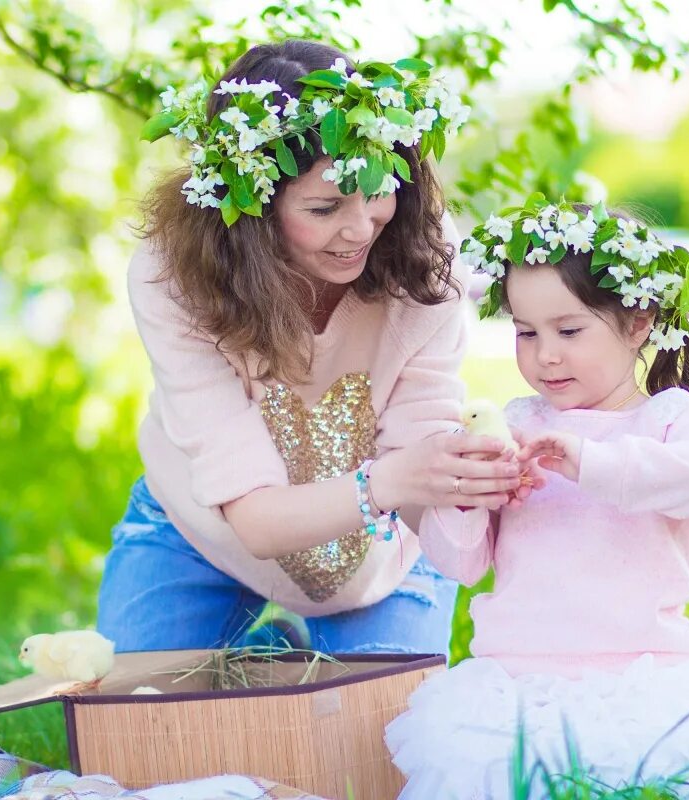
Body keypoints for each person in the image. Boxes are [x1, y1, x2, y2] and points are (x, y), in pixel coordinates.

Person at [94, 39, 526, 655]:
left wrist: (472, 487)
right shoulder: (172, 274)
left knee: (378, 745)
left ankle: (280, 653)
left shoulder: (423, 257)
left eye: (377, 190)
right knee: (135, 735)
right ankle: (267, 654)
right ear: (252, 208)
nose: (359, 230)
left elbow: (419, 471)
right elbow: (257, 521)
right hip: (201, 530)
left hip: (378, 560)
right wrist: (393, 479)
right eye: (324, 208)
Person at [385, 200, 689, 797]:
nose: (545, 355)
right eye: (524, 332)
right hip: (514, 685)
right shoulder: (514, 424)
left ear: (638, 321)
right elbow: (462, 564)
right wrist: (468, 494)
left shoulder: (668, 421)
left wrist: (586, 462)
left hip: (643, 682)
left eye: (569, 330)